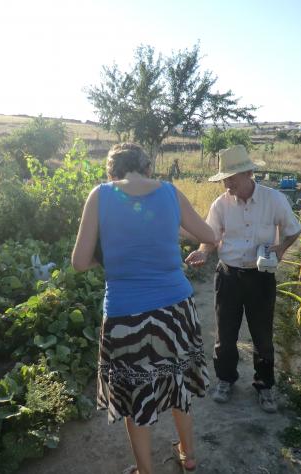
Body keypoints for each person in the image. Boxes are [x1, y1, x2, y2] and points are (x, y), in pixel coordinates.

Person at [72, 143, 216, 474]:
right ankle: (189, 456)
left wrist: (110, 257)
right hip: (176, 308)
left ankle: (146, 471)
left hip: (125, 314)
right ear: (147, 167)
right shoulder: (169, 192)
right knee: (177, 382)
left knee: (135, 395)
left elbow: (79, 262)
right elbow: (209, 235)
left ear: (112, 172)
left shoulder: (100, 195)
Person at [185, 144, 301, 413]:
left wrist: (281, 249)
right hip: (228, 276)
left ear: (249, 173)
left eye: (231, 178)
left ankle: (265, 385)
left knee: (262, 336)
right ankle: (225, 380)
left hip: (260, 278)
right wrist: (203, 252)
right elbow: (211, 237)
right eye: (224, 179)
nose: (227, 184)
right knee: (225, 334)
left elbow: (294, 229)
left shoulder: (274, 200)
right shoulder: (220, 204)